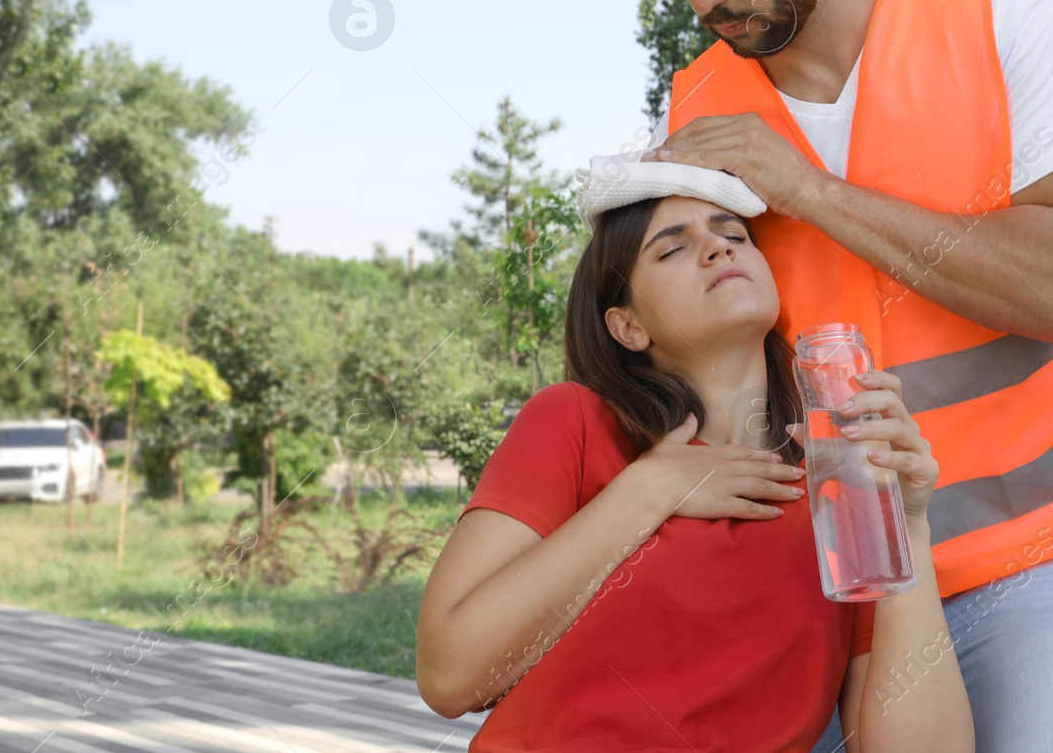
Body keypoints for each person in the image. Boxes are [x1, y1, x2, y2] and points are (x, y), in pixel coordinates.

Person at [617, 0, 1053, 752]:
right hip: (826, 584)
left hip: (1034, 559)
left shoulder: (999, 13)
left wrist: (811, 193)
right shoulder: (695, 103)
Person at [416, 159, 974, 753]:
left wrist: (903, 525)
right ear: (627, 326)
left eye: (733, 234)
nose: (717, 248)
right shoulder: (575, 424)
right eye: (671, 249)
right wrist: (648, 489)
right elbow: (449, 676)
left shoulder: (838, 498)